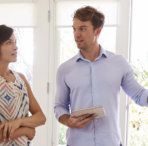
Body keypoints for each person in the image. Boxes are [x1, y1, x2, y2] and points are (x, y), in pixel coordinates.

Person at [54, 6, 148, 146]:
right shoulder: (65, 69)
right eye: (74, 29)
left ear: (97, 31)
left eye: (83, 29)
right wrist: (68, 120)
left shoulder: (119, 63)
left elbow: (140, 95)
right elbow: (59, 107)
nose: (76, 34)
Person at [0, 25, 46, 146]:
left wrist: (18, 122)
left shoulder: (21, 78)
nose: (15, 47)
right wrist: (26, 130)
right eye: (9, 42)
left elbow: (41, 118)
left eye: (15, 42)